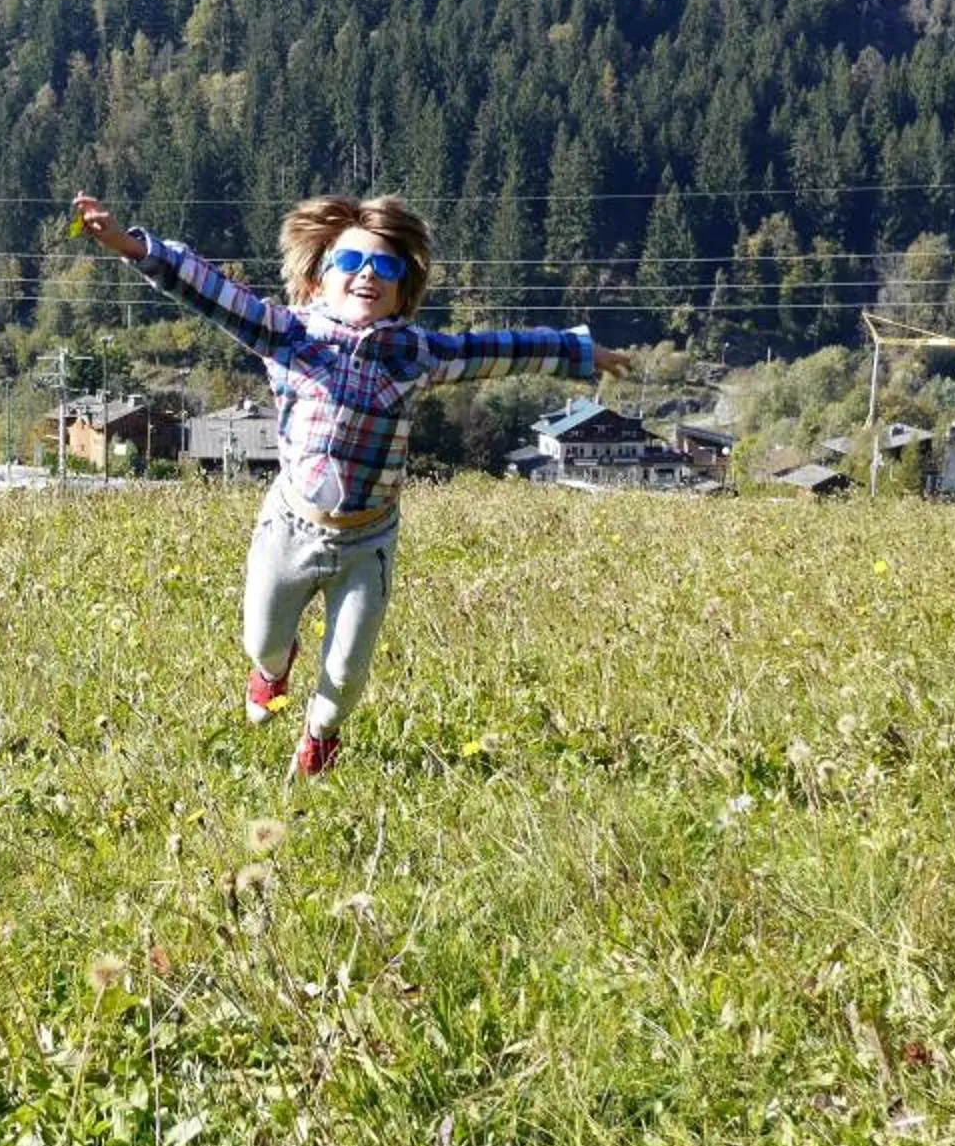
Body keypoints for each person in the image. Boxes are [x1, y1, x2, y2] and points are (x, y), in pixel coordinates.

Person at [69, 189, 627, 777]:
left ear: (402, 291)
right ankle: (272, 673)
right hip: (289, 529)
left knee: (346, 671)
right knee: (261, 639)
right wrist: (127, 244)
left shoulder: (418, 354)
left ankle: (319, 738)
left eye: (385, 266)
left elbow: (502, 350)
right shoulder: (288, 336)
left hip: (368, 543)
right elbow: (211, 293)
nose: (368, 274)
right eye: (351, 262)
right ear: (317, 281)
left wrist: (583, 353)